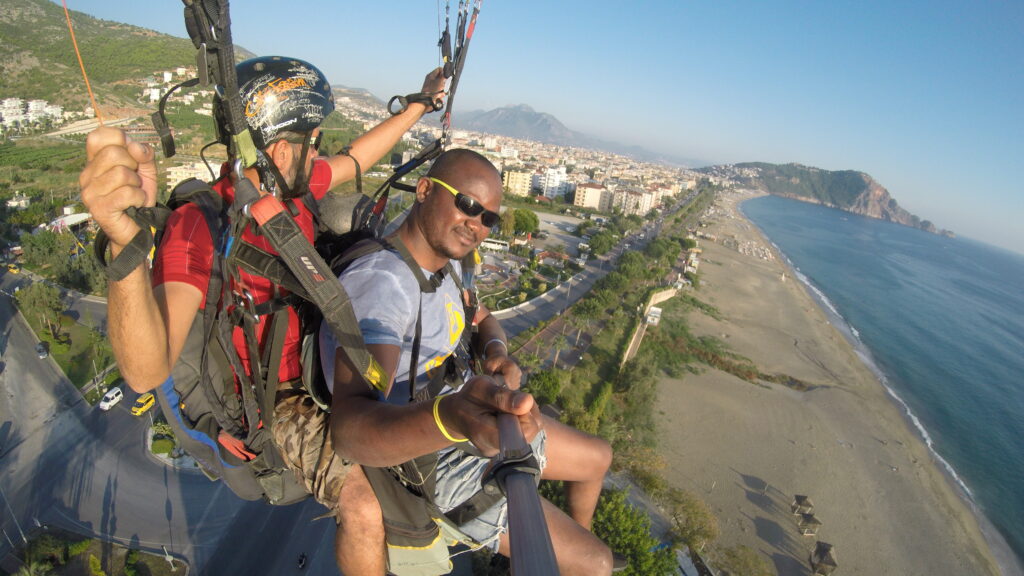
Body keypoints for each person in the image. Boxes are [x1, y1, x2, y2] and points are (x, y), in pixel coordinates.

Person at [79, 55, 444, 575]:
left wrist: (420, 105)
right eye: (312, 141)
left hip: (326, 363)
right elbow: (145, 370)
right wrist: (125, 247)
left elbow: (357, 157)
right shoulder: (199, 226)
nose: (319, 152)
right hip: (283, 400)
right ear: (279, 149)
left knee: (421, 435)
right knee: (365, 507)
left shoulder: (287, 191)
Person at [323, 149, 618, 575]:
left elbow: (481, 317)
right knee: (596, 563)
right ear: (424, 190)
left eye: (488, 218)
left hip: (466, 413)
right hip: (431, 455)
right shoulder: (384, 287)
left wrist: (496, 350)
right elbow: (350, 432)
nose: (476, 225)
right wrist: (451, 420)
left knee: (599, 458)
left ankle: (565, 542)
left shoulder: (448, 267)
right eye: (468, 205)